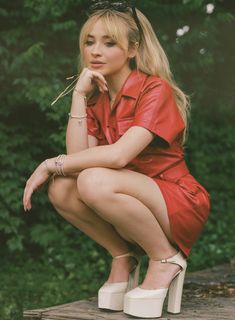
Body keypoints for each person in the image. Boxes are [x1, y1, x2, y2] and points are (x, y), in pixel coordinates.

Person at [23, 1, 210, 318]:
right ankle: (123, 255)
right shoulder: (96, 97)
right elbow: (78, 159)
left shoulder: (154, 89)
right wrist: (79, 97)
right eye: (89, 41)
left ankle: (165, 258)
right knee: (62, 189)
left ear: (133, 48)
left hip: (177, 200)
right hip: (129, 196)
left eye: (109, 43)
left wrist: (48, 163)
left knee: (91, 179)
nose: (96, 51)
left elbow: (120, 154)